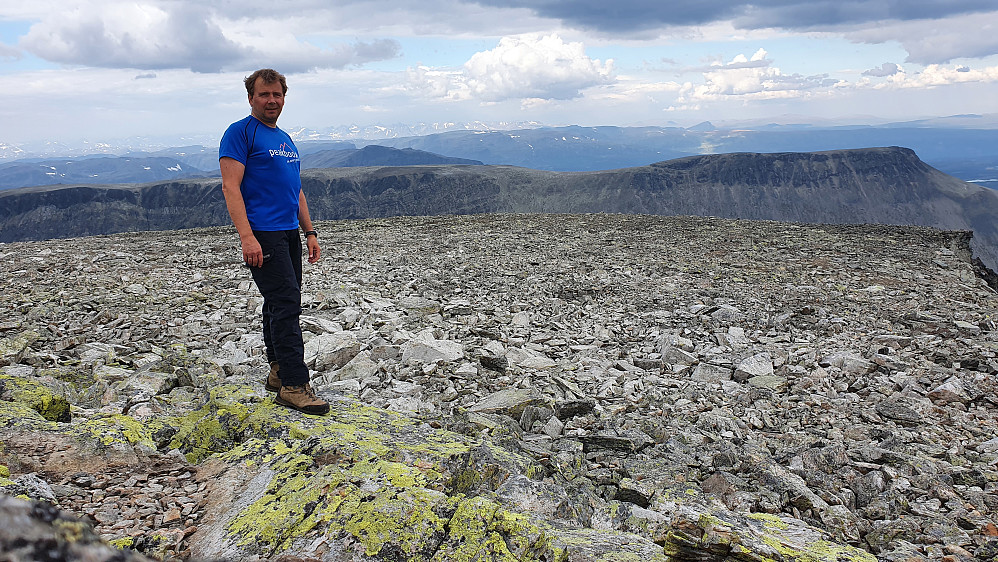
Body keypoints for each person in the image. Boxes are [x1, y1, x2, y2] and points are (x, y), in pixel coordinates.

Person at [219, 68, 329, 415]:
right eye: (264, 94)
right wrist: (247, 236)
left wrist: (308, 232)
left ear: (284, 97)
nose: (271, 100)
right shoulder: (240, 133)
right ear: (251, 97)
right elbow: (230, 187)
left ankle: (279, 372)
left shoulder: (284, 139)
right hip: (263, 232)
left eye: (277, 94)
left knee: (278, 301)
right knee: (286, 305)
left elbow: (294, 189)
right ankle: (296, 385)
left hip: (287, 231)